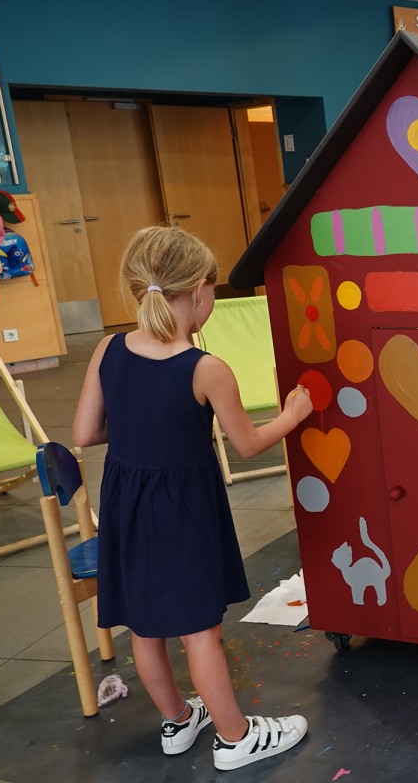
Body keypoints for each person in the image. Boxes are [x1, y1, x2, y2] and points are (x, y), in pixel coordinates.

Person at [72, 226, 314, 771]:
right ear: (202, 290)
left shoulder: (108, 348)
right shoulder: (205, 368)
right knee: (199, 630)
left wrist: (141, 428)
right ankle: (236, 738)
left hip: (125, 503)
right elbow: (247, 445)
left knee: (146, 624)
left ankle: (179, 721)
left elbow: (86, 433)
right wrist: (292, 417)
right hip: (181, 509)